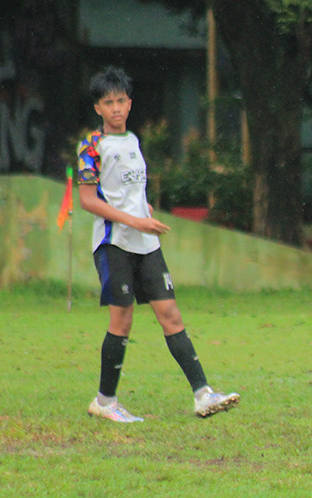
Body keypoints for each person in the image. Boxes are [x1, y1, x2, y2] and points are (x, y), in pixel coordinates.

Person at [76, 66, 239, 422]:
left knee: (171, 315)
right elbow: (88, 199)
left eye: (121, 101)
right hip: (114, 243)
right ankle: (105, 402)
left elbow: (132, 190)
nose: (116, 107)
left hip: (146, 243)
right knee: (122, 321)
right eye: (108, 102)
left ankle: (202, 394)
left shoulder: (133, 142)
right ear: (98, 108)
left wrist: (143, 208)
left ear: (130, 104)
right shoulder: (91, 146)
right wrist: (136, 220)